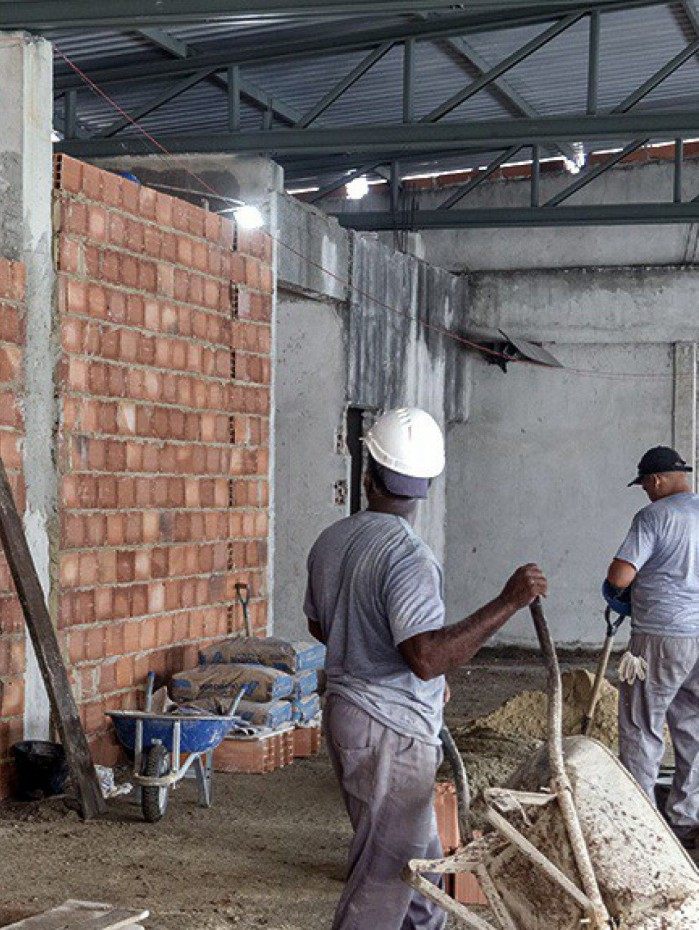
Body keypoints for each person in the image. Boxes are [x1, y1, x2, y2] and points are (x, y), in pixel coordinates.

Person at [304, 407, 547, 930]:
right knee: (387, 873)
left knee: (423, 873)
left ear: (367, 476)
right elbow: (426, 657)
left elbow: (323, 626)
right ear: (428, 485)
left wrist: (388, 658)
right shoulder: (408, 556)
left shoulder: (332, 541)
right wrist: (508, 602)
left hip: (349, 714)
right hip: (390, 728)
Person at [606, 445, 699, 849]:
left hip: (661, 636)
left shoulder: (653, 517)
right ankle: (686, 817)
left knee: (641, 725)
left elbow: (620, 576)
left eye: (645, 485)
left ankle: (641, 827)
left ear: (657, 480)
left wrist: (618, 588)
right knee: (693, 726)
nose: (645, 492)